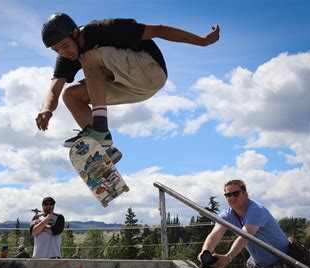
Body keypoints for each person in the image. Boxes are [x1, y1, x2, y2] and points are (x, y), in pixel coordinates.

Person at [36, 13, 220, 163]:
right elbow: (55, 88)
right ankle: (106, 149)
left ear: (76, 33)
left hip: (150, 70)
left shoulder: (104, 29)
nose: (64, 53)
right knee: (70, 95)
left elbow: (158, 30)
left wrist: (202, 41)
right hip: (132, 88)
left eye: (65, 46)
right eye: (57, 50)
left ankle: (100, 130)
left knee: (90, 58)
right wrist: (46, 110)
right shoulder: (66, 56)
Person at [198, 180, 297, 268]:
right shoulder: (227, 214)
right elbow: (215, 234)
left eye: (235, 193)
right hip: (258, 261)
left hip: (281, 257)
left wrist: (228, 257)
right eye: (228, 195)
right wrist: (206, 252)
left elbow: (246, 235)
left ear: (245, 194)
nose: (232, 198)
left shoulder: (256, 210)